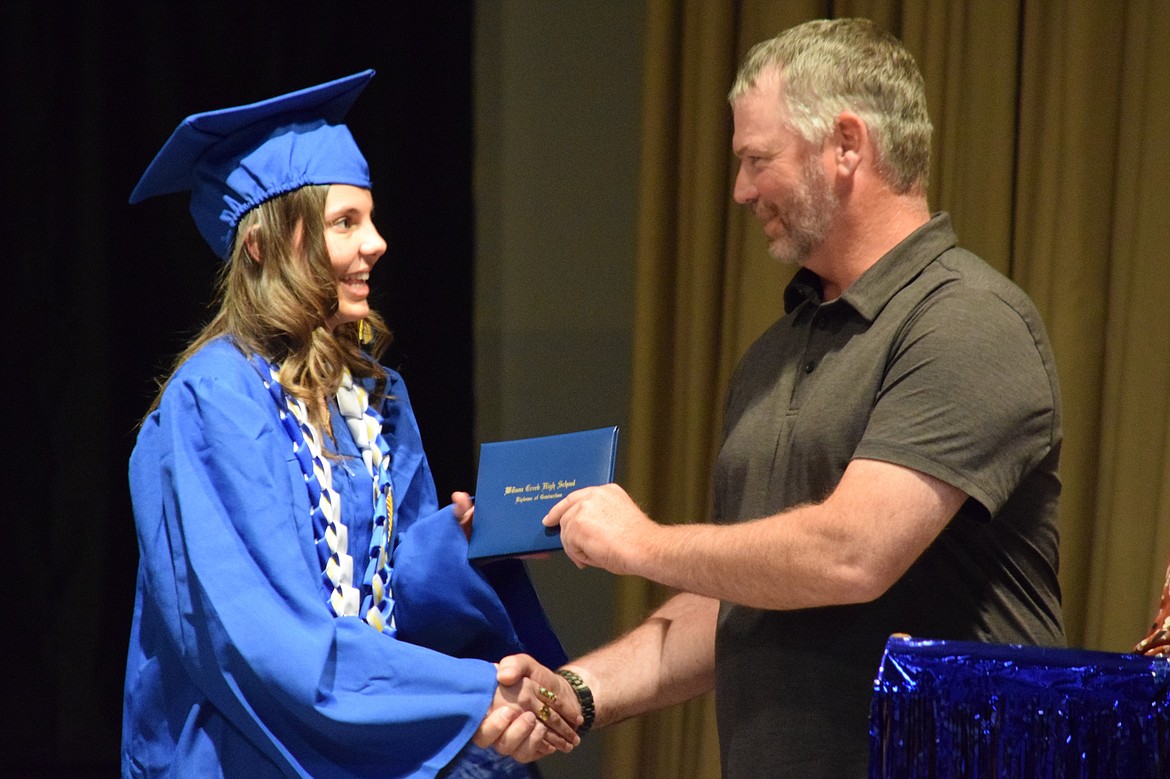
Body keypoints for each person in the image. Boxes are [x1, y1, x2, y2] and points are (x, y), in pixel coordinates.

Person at [507, 18, 1067, 777]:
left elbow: (849, 553)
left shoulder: (967, 322)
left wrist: (639, 543)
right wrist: (577, 689)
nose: (739, 191)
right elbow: (743, 589)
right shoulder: (774, 355)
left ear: (845, 145)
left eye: (755, 159)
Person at [122, 70, 581, 778]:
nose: (378, 243)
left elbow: (385, 587)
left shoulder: (374, 392)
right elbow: (261, 637)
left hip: (370, 727)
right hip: (249, 749)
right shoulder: (213, 401)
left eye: (371, 217)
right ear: (262, 247)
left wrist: (462, 546)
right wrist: (473, 691)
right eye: (346, 222)